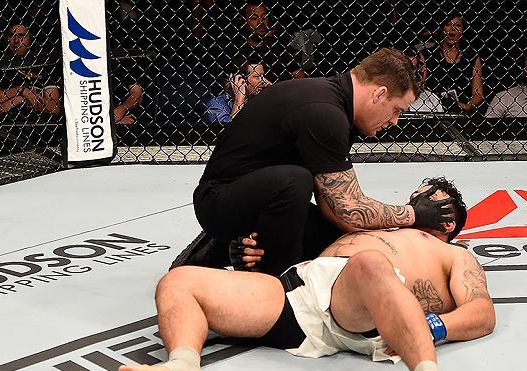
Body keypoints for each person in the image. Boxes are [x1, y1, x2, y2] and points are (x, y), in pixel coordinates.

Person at [119, 177, 496, 371]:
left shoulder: (455, 254)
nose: (419, 198)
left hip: (359, 304)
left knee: (368, 263)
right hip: (304, 291)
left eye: (432, 198)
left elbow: (482, 313)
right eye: (419, 194)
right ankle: (183, 368)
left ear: (448, 222)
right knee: (178, 281)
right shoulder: (380, 223)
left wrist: (435, 327)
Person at [172, 48, 456, 278]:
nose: (394, 121)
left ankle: (223, 249)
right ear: (379, 93)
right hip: (220, 201)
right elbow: (350, 208)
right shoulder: (325, 114)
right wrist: (413, 215)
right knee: (295, 181)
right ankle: (274, 286)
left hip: (259, 200)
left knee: (342, 242)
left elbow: (336, 210)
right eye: (396, 110)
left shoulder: (335, 104)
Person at [0, 20, 61, 118]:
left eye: (21, 36)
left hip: (38, 123)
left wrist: (20, 100)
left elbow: (55, 108)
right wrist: (20, 90)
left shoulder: (44, 65)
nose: (16, 41)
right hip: (4, 125)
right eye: (12, 35)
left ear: (30, 39)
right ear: (6, 38)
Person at [426, 13, 484, 113]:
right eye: (448, 24)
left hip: (461, 111)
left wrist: (467, 106)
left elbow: (478, 94)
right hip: (431, 108)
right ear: (442, 28)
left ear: (463, 29)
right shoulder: (428, 55)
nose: (452, 28)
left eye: (457, 25)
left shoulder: (471, 57)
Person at [204, 56, 272, 123]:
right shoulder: (216, 105)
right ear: (239, 79)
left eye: (263, 76)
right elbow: (229, 131)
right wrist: (238, 101)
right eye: (257, 76)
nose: (265, 81)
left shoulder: (261, 100)